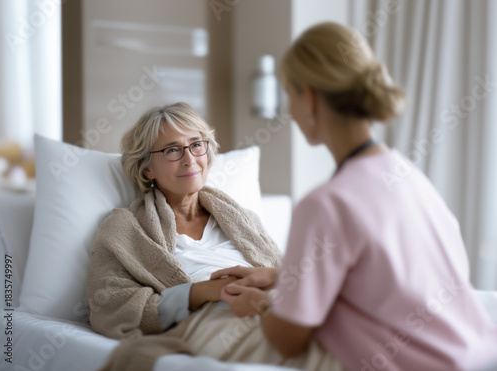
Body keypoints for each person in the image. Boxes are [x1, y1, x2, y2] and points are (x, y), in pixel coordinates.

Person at [212, 22, 497, 370]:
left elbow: (287, 339)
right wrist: (280, 275)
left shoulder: (325, 205)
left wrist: (256, 305)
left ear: (310, 97)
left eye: (290, 94)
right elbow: (384, 277)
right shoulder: (409, 176)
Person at [86, 102, 340, 371]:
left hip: (276, 304)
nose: (189, 159)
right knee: (329, 353)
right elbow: (110, 305)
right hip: (215, 321)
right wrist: (204, 291)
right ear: (147, 169)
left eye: (196, 145)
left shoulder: (242, 219)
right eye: (172, 150)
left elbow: (286, 272)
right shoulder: (126, 228)